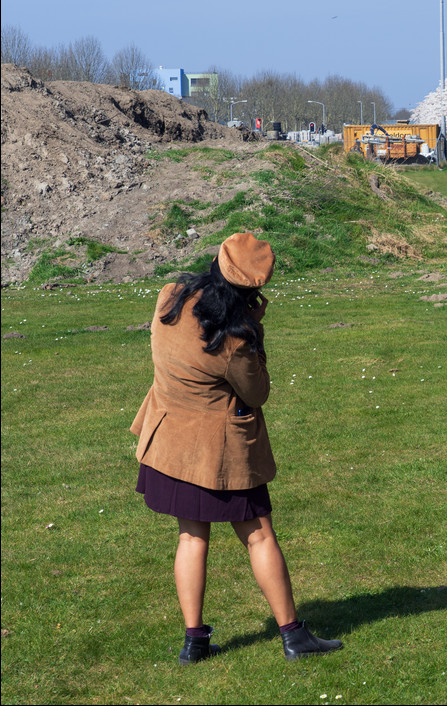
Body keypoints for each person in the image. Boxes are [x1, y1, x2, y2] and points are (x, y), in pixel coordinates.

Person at [131, 233, 343, 664]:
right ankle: (292, 635)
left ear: (214, 262)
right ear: (253, 291)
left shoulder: (169, 297)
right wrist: (256, 328)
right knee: (259, 536)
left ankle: (194, 642)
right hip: (217, 454)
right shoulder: (235, 338)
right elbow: (258, 391)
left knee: (191, 537)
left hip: (169, 440)